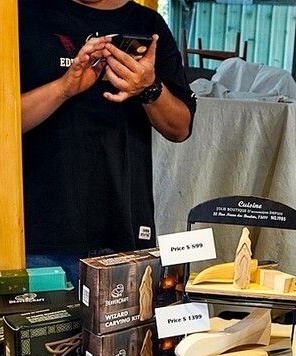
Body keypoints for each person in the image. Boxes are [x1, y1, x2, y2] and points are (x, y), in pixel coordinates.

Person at [18, 0, 196, 286]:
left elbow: (180, 127)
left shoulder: (147, 25)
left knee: (135, 317)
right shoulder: (23, 15)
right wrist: (63, 89)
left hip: (124, 235)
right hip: (38, 238)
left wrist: (148, 86)